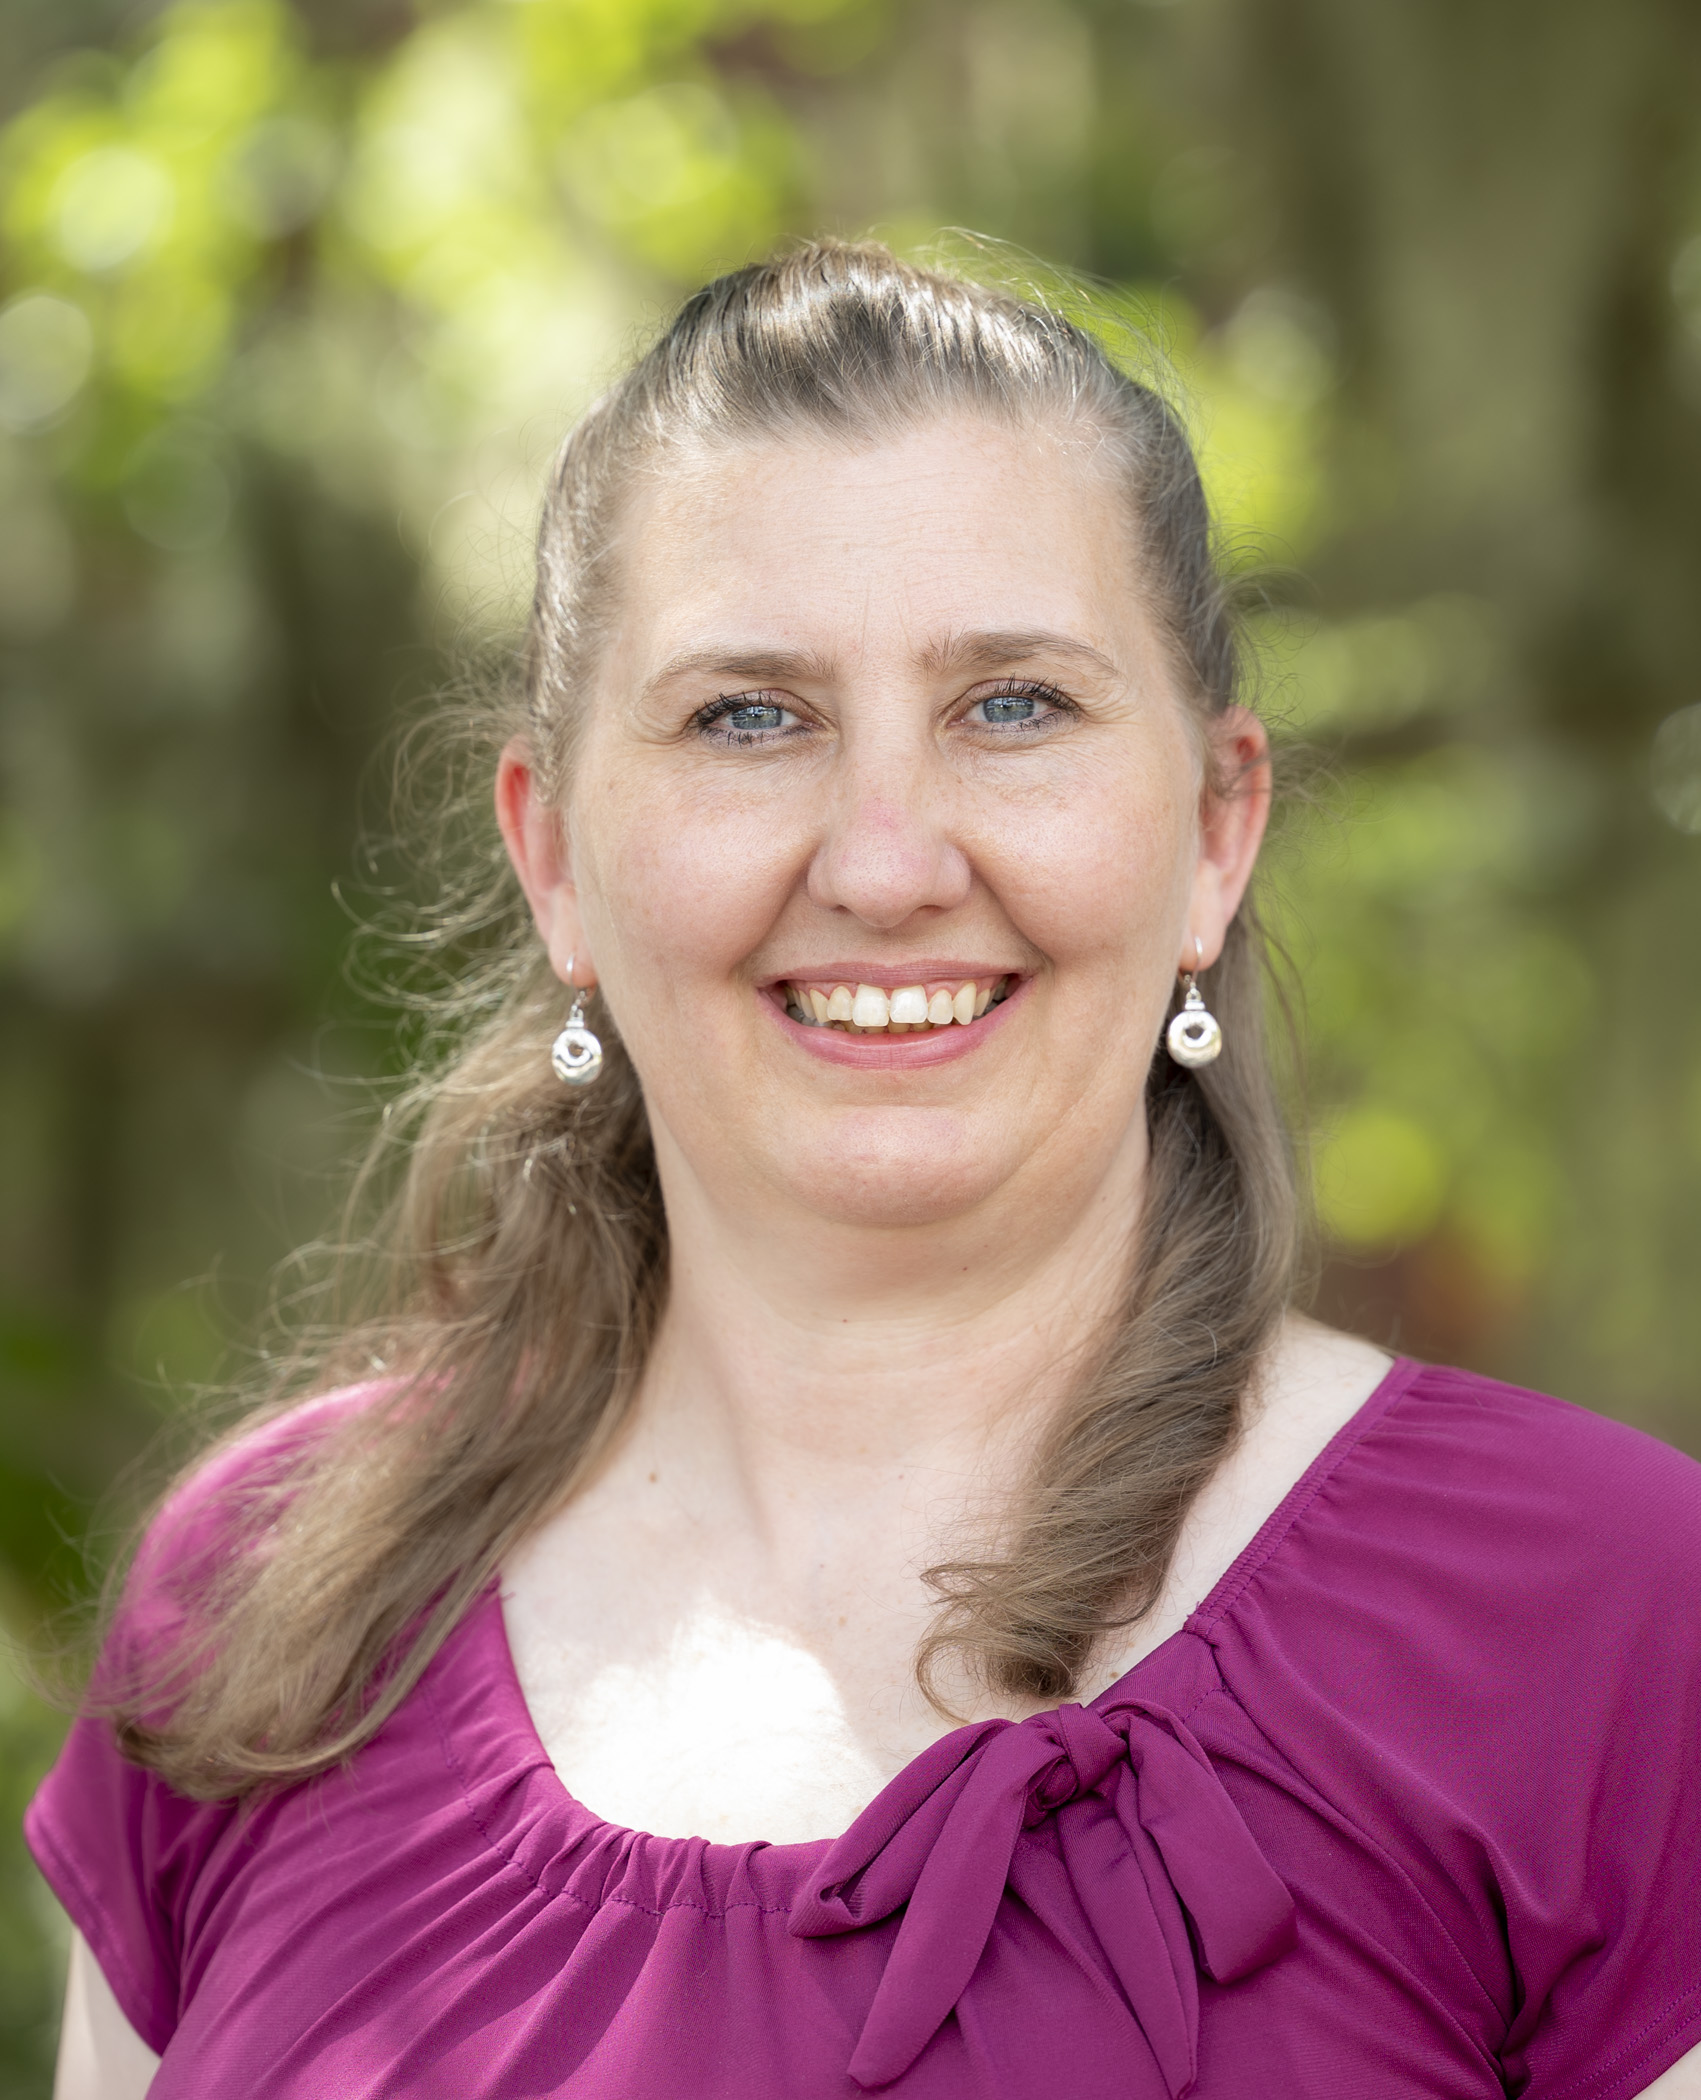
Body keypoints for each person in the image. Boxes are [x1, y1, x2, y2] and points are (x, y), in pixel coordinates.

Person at [28, 242, 1701, 2099]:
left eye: (1013, 706)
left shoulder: (1614, 1631)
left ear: (1220, 829)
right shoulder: (271, 1610)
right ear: (555, 857)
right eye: (749, 716)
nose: (887, 861)